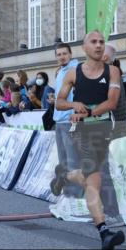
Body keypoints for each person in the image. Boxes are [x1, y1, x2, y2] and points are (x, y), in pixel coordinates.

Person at [52, 31, 126, 250]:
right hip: (82, 132)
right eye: (93, 42)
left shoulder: (113, 71)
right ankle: (104, 230)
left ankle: (64, 175)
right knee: (95, 180)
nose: (98, 45)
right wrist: (74, 106)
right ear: (84, 48)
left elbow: (112, 103)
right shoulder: (73, 74)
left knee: (88, 178)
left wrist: (88, 113)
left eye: (102, 42)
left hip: (102, 129)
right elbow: (59, 102)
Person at [49, 42, 81, 197]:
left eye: (64, 54)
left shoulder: (76, 69)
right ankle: (68, 195)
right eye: (59, 54)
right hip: (60, 120)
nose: (62, 57)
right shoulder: (61, 71)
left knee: (73, 160)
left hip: (70, 121)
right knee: (63, 161)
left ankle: (75, 196)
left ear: (70, 54)